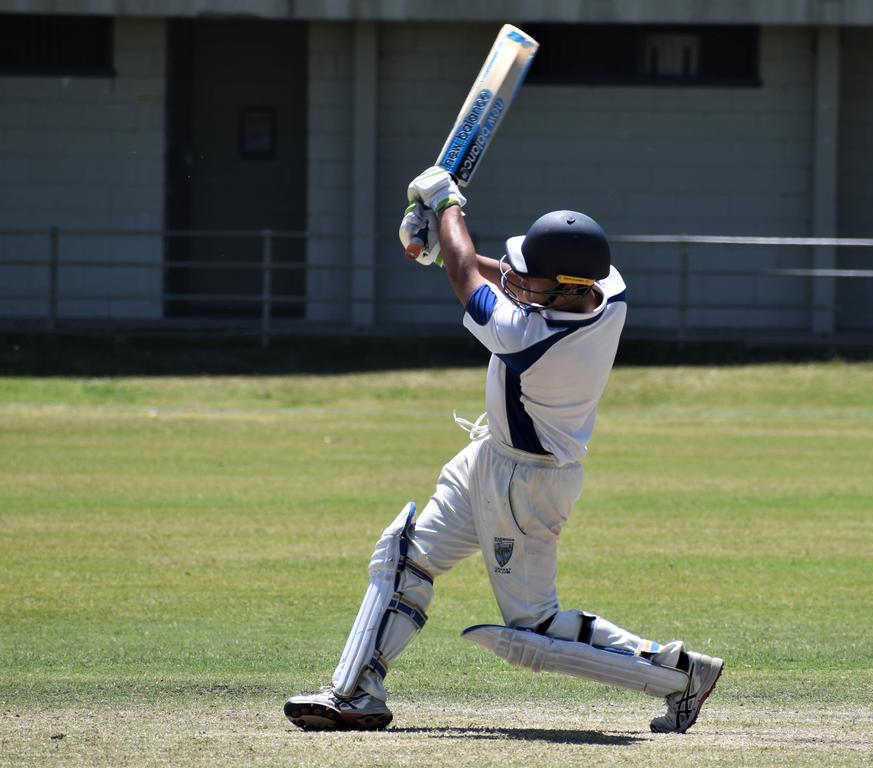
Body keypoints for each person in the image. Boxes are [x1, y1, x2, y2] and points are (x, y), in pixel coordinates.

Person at [283, 167, 722, 734]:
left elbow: (473, 280)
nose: (519, 282)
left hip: (527, 483)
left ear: (566, 286)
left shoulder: (531, 338)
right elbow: (497, 274)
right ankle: (355, 693)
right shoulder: (606, 291)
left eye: (534, 281)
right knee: (405, 556)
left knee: (533, 628)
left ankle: (681, 674)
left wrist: (447, 207)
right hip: (492, 457)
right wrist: (440, 250)